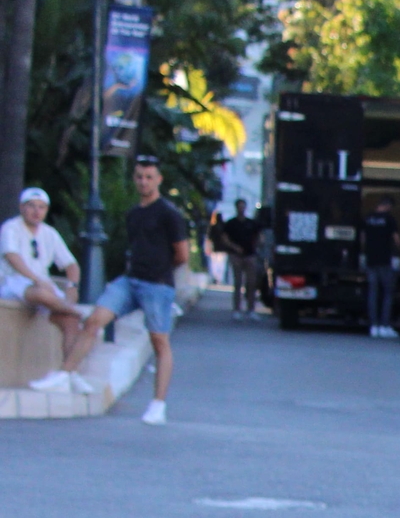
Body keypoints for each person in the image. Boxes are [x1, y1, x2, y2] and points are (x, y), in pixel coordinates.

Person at [58, 155, 188, 426]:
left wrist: (160, 270)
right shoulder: (133, 214)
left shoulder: (169, 214)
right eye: (139, 176)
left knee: (159, 342)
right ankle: (65, 374)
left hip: (158, 285)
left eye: (149, 177)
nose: (144, 181)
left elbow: (182, 255)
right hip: (130, 281)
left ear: (159, 180)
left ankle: (158, 405)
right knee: (94, 320)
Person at [4, 188, 96, 393]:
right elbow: (12, 257)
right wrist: (36, 278)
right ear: (22, 208)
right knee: (42, 293)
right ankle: (80, 313)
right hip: (15, 283)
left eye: (41, 207)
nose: (36, 211)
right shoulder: (11, 228)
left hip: (43, 287)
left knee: (69, 321)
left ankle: (69, 374)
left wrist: (72, 287)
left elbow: (71, 266)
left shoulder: (49, 233)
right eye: (32, 206)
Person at [359, 197, 400, 338]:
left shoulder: (368, 218)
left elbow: (362, 238)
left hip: (371, 259)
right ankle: (384, 326)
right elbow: (397, 239)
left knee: (373, 293)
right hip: (385, 260)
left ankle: (373, 326)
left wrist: (365, 252)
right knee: (387, 293)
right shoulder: (389, 219)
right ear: (388, 206)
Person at [217, 201, 264, 315]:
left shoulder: (252, 223)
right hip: (236, 255)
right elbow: (225, 238)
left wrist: (258, 245)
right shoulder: (231, 223)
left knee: (251, 283)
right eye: (239, 207)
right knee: (237, 283)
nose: (241, 209)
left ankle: (251, 309)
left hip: (250, 254)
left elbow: (259, 236)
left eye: (243, 207)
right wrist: (234, 247)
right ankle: (237, 309)